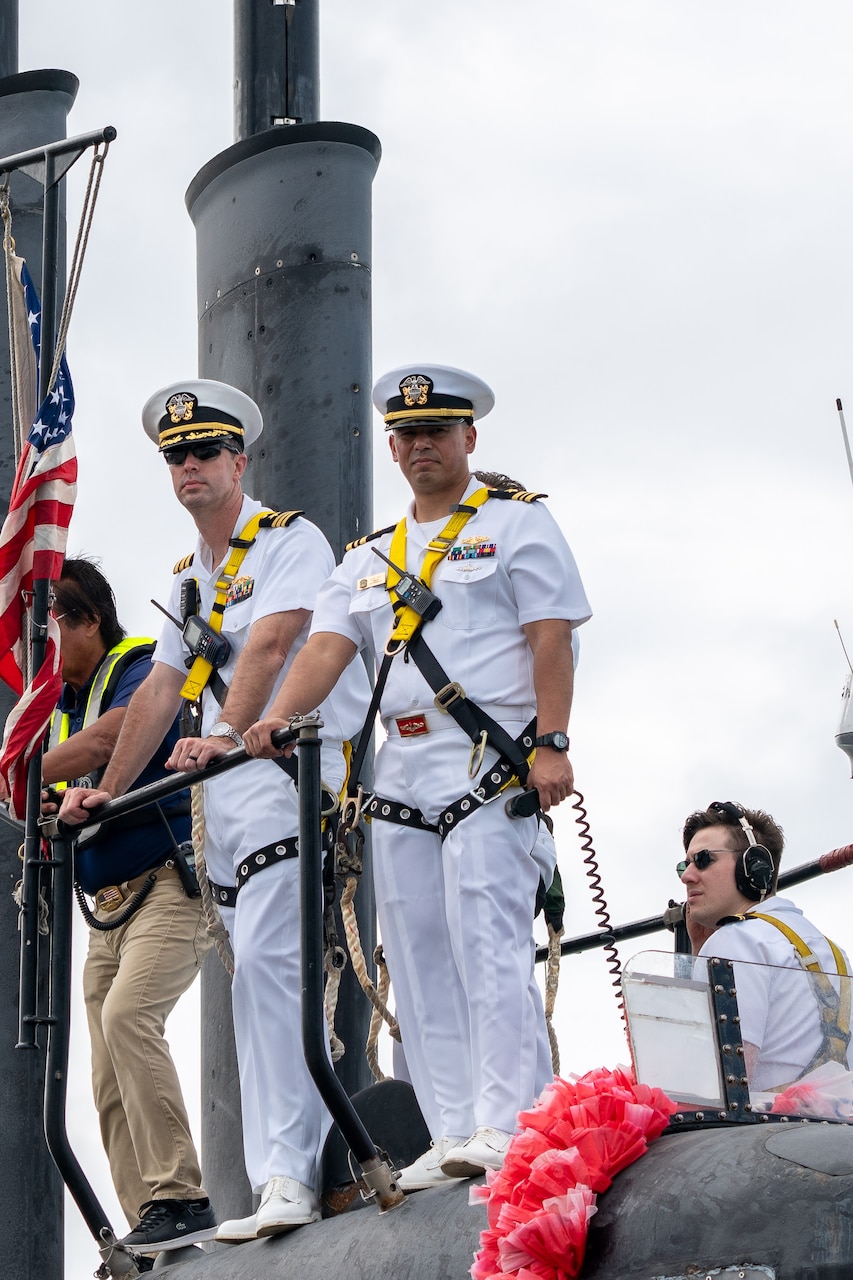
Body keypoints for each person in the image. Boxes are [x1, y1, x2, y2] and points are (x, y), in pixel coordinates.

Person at [243, 363, 592, 1190]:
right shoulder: (368, 558)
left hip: (484, 764)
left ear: (469, 438)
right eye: (408, 435)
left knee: (486, 945)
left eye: (438, 431)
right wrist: (274, 719)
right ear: (392, 449)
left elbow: (550, 637)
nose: (422, 445)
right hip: (396, 777)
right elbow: (326, 648)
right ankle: (448, 1129)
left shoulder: (516, 527)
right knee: (419, 955)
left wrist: (552, 743)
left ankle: (508, 1122)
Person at [59, 380, 370, 1243]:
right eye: (176, 456)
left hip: (279, 779)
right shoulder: (187, 581)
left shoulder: (288, 539)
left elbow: (274, 641)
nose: (189, 466)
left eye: (204, 452)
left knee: (277, 974)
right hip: (221, 806)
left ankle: (290, 1175)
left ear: (239, 461)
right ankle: (280, 1171)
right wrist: (111, 793)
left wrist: (227, 732)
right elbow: (162, 690)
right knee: (253, 988)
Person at [42, 558, 214, 1256]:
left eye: (46, 626)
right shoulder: (54, 711)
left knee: (128, 1017)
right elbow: (44, 796)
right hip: (104, 911)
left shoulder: (139, 666)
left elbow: (116, 735)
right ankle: (153, 1230)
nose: (35, 647)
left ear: (85, 619)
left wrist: (17, 765)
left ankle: (182, 1198)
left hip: (165, 885)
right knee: (106, 1070)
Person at [679, 800, 852, 1093]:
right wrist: (699, 953)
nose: (687, 876)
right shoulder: (834, 954)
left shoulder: (734, 940)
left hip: (763, 1134)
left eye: (704, 859)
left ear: (753, 866)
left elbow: (719, 1086)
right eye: (684, 865)